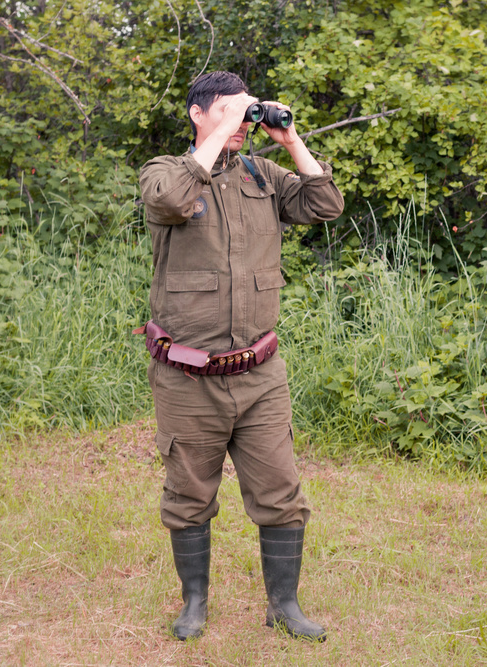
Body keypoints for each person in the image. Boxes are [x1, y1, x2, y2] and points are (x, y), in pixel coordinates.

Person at [137, 70, 344, 642]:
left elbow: (325, 204)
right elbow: (174, 199)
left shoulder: (262, 174)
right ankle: (194, 604)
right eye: (227, 111)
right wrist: (223, 128)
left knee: (280, 493)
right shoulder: (165, 173)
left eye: (245, 112)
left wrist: (290, 140)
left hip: (259, 375)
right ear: (198, 114)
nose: (240, 123)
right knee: (189, 495)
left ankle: (285, 607)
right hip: (187, 376)